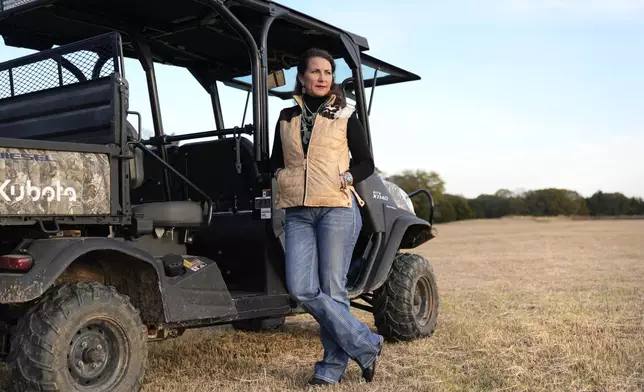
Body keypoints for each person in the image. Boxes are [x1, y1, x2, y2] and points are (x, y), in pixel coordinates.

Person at [271, 47, 383, 385]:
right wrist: (280, 175)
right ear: (302, 77)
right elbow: (276, 159)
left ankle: (331, 369)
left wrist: (346, 178)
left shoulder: (345, 115)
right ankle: (367, 343)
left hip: (337, 208)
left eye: (327, 73)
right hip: (298, 212)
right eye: (315, 72)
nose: (322, 78)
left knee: (333, 290)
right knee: (301, 288)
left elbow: (366, 162)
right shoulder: (286, 117)